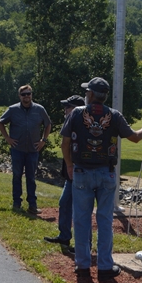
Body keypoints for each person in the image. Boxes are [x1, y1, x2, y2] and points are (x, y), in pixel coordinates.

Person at [60, 77, 142, 281]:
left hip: (82, 172)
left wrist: (69, 165)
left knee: (82, 220)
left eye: (87, 92)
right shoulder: (114, 115)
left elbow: (65, 143)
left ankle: (82, 266)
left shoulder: (76, 113)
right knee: (105, 221)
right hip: (107, 173)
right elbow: (135, 137)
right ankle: (104, 266)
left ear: (92, 94)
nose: (86, 95)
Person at [0, 84, 51, 214]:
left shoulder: (39, 109)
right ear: (19, 96)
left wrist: (43, 140)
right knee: (16, 176)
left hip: (33, 149)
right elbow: (0, 123)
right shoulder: (13, 109)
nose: (26, 96)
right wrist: (8, 139)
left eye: (28, 93)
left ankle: (32, 204)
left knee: (31, 178)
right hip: (17, 149)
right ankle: (17, 203)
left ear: (31, 94)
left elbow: (48, 124)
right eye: (24, 94)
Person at [44, 94, 86, 253]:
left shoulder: (82, 125)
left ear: (76, 108)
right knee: (64, 203)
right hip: (70, 174)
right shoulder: (70, 122)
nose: (65, 110)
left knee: (81, 210)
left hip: (80, 173)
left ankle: (83, 243)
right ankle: (64, 236)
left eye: (68, 106)